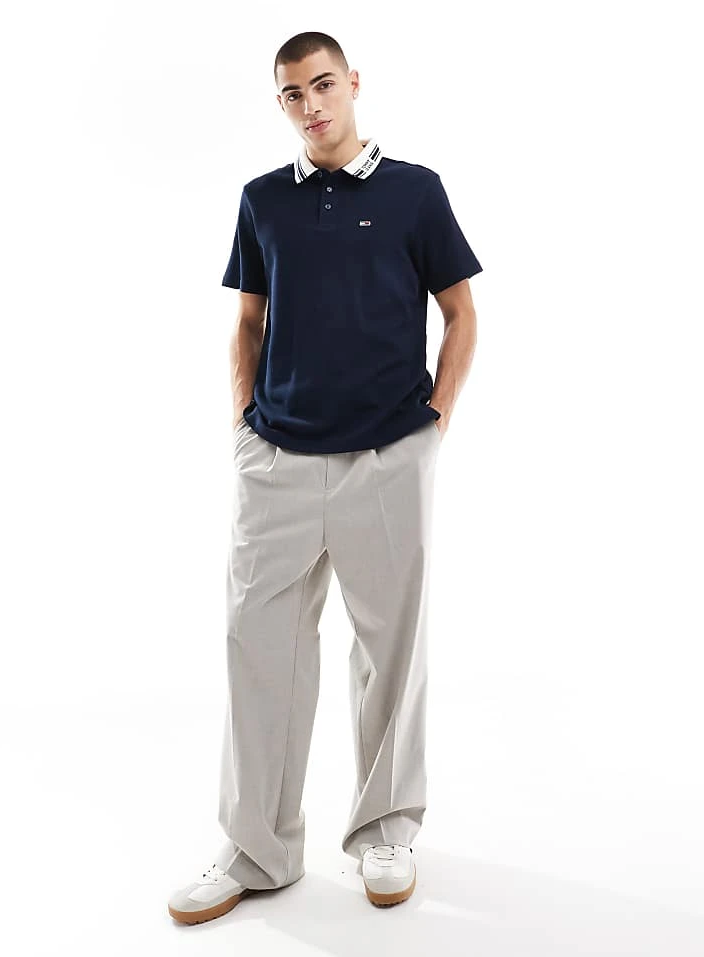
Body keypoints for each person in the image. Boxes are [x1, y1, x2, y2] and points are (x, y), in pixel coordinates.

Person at [168, 30, 482, 925]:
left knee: (390, 651)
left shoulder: (416, 191)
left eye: (323, 85)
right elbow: (248, 321)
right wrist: (244, 423)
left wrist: (434, 422)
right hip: (278, 459)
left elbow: (461, 312)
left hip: (388, 455)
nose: (311, 105)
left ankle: (385, 830)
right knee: (258, 649)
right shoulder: (262, 199)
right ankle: (256, 847)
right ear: (281, 104)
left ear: (353, 84)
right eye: (292, 94)